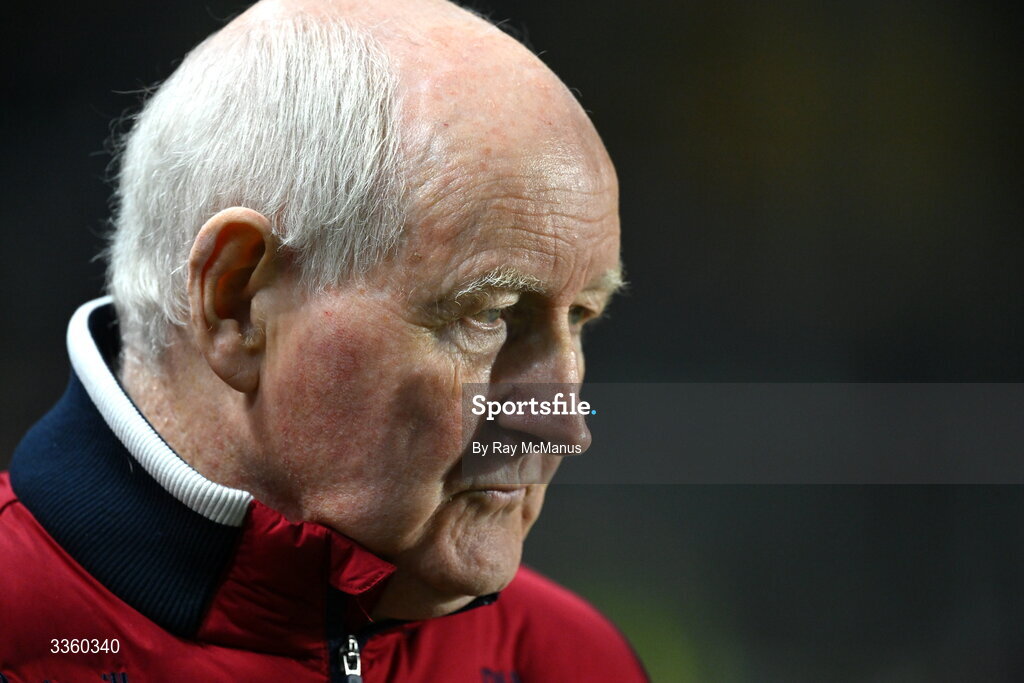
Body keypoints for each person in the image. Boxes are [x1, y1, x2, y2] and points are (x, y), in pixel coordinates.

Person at [0, 0, 646, 680]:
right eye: (491, 314)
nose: (562, 427)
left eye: (581, 318)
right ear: (238, 302)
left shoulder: (571, 659)